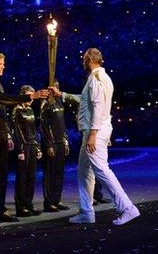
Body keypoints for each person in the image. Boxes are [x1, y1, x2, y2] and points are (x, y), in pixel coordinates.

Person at [50, 48, 140, 225]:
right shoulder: (100, 78)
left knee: (102, 170)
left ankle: (127, 208)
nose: (82, 61)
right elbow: (85, 101)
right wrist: (62, 95)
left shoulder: (96, 78)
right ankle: (86, 213)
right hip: (96, 131)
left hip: (94, 132)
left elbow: (98, 107)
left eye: (84, 58)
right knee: (84, 172)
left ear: (90, 59)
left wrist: (94, 134)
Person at [0, 52, 49, 226]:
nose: (3, 66)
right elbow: (3, 98)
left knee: (2, 174)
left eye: (3, 63)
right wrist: (30, 96)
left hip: (1, 133)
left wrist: (8, 133)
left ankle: (0, 210)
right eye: (0, 63)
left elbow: (3, 112)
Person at [12, 85, 42, 217]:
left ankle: (29, 204)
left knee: (31, 177)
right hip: (23, 147)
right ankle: (20, 207)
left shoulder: (30, 110)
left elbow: (34, 131)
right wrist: (20, 150)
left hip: (31, 146)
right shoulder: (16, 110)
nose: (31, 99)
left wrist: (37, 147)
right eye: (29, 95)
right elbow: (16, 132)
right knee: (22, 178)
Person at [40, 81, 70, 212]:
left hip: (60, 142)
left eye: (58, 87)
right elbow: (44, 127)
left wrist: (65, 141)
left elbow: (62, 124)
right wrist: (49, 145)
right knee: (50, 173)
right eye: (53, 88)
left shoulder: (59, 102)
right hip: (51, 144)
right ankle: (49, 202)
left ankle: (57, 200)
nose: (56, 90)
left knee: (59, 173)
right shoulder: (45, 104)